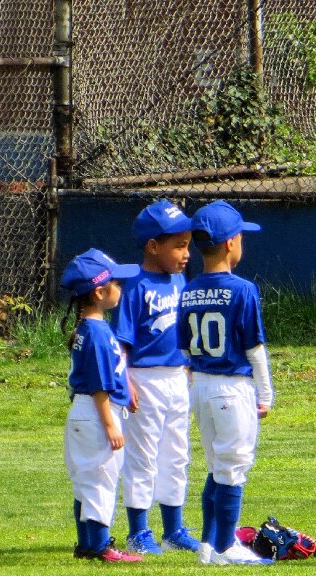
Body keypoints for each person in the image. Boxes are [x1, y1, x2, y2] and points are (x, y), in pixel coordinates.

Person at [177, 200, 273, 566]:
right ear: (232, 242)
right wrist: (265, 394)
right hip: (232, 386)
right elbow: (254, 347)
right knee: (234, 466)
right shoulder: (243, 289)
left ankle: (207, 543)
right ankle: (225, 546)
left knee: (217, 465)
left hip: (199, 385)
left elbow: (184, 348)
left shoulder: (187, 290)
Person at [111, 200, 200, 555]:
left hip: (177, 376)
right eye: (178, 245)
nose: (186, 253)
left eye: (188, 244)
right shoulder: (135, 284)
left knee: (176, 454)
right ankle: (139, 530)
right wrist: (125, 382)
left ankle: (174, 529)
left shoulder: (180, 279)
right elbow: (122, 342)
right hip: (144, 379)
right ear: (152, 246)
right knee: (144, 455)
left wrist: (190, 366)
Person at [60, 249, 143, 562]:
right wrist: (110, 424)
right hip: (96, 414)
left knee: (86, 481)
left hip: (83, 414)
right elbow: (99, 383)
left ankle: (86, 545)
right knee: (101, 481)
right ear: (99, 291)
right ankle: (100, 546)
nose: (120, 289)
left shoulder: (88, 328)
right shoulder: (96, 331)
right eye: (116, 283)